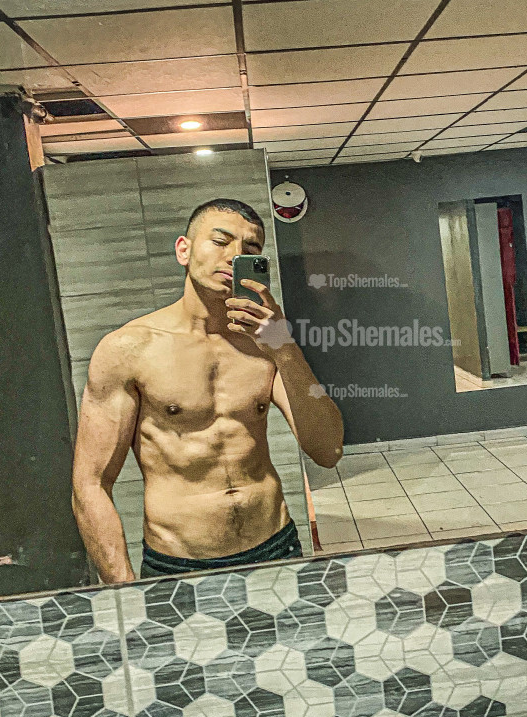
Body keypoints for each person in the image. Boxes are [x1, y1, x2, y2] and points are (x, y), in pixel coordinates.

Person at [70, 197, 344, 582]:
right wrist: (123, 589)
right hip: (179, 565)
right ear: (184, 250)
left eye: (250, 249)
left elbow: (328, 450)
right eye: (220, 241)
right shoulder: (129, 349)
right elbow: (91, 484)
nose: (234, 256)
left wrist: (284, 347)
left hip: (276, 547)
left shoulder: (267, 345)